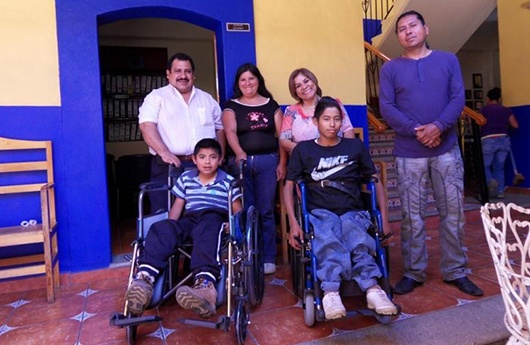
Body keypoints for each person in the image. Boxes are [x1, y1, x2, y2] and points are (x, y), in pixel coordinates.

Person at [379, 10, 483, 296]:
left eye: (413, 25)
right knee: (412, 216)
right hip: (407, 153)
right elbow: (387, 108)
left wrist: (438, 126)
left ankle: (455, 270)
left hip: (446, 150)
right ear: (398, 36)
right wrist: (417, 130)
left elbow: (458, 98)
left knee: (453, 212)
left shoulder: (448, 60)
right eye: (401, 28)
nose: (408, 31)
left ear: (426, 29)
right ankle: (414, 272)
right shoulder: (390, 69)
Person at [284, 96, 397, 320]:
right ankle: (331, 291)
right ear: (316, 122)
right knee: (328, 237)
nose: (332, 124)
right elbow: (288, 188)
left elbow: (375, 182)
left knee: (357, 237)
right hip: (319, 211)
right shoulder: (303, 150)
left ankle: (373, 289)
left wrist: (384, 217)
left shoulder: (354, 146)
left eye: (337, 119)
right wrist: (294, 224)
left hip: (351, 209)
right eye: (326, 119)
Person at [125, 138, 242, 318]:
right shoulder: (186, 178)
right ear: (194, 160)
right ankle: (144, 279)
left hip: (214, 218)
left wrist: (231, 224)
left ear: (220, 160)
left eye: (212, 157)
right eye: (202, 157)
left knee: (208, 227)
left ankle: (205, 286)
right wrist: (171, 225)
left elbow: (237, 209)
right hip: (190, 219)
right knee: (161, 228)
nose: (207, 161)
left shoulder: (228, 182)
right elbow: (179, 205)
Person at [138, 52, 225, 212]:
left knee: (202, 212)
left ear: (193, 75)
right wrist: (164, 153)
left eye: (187, 71)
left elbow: (220, 129)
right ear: (168, 74)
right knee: (164, 212)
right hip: (167, 166)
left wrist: (220, 156)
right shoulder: (156, 97)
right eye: (178, 71)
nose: (183, 76)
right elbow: (146, 126)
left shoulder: (207, 99)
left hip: (201, 167)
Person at [222, 63, 287, 275]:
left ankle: (268, 257)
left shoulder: (271, 105)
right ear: (238, 84)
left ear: (258, 80)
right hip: (241, 164)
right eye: (243, 80)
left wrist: (282, 163)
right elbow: (230, 132)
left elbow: (282, 136)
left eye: (251, 78)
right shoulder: (231, 106)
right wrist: (240, 152)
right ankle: (249, 254)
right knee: (245, 210)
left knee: (266, 209)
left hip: (268, 162)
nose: (247, 83)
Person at [280, 68, 355, 154]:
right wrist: (304, 152)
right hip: (306, 161)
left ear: (313, 81)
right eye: (298, 86)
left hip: (336, 157)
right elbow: (284, 140)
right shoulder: (291, 111)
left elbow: (348, 130)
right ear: (295, 92)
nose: (304, 87)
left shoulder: (333, 104)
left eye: (306, 81)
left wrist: (344, 152)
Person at [480, 87, 519, 199]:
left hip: (488, 140)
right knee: (499, 167)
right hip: (504, 140)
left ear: (487, 99)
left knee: (485, 165)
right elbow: (515, 125)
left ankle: (491, 181)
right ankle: (500, 191)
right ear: (499, 99)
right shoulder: (506, 110)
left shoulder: (483, 110)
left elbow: (478, 123)